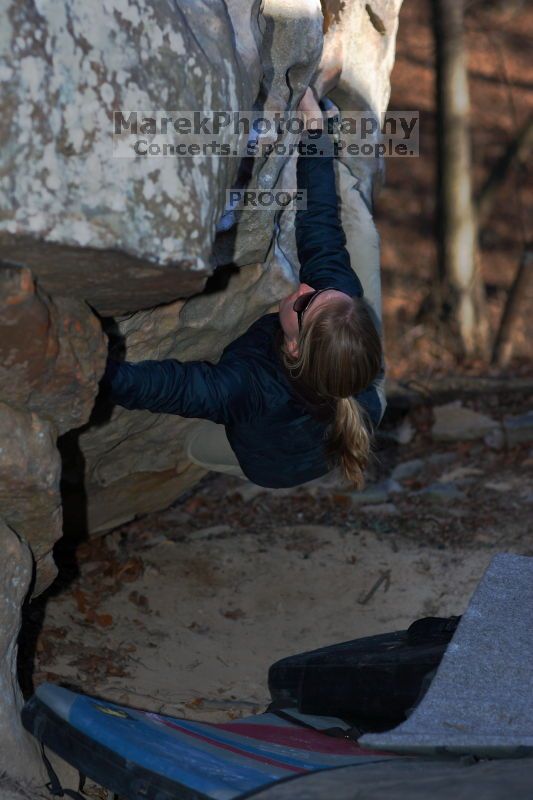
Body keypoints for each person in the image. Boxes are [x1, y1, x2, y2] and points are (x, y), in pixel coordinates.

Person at [100, 88, 386, 490]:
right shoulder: (334, 301)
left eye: (305, 303)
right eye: (326, 293)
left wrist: (90, 373)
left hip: (276, 467)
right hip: (359, 403)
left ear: (293, 348)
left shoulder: (249, 387)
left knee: (198, 446)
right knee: (356, 246)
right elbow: (319, 222)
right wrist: (316, 129)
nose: (306, 285)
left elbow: (169, 388)